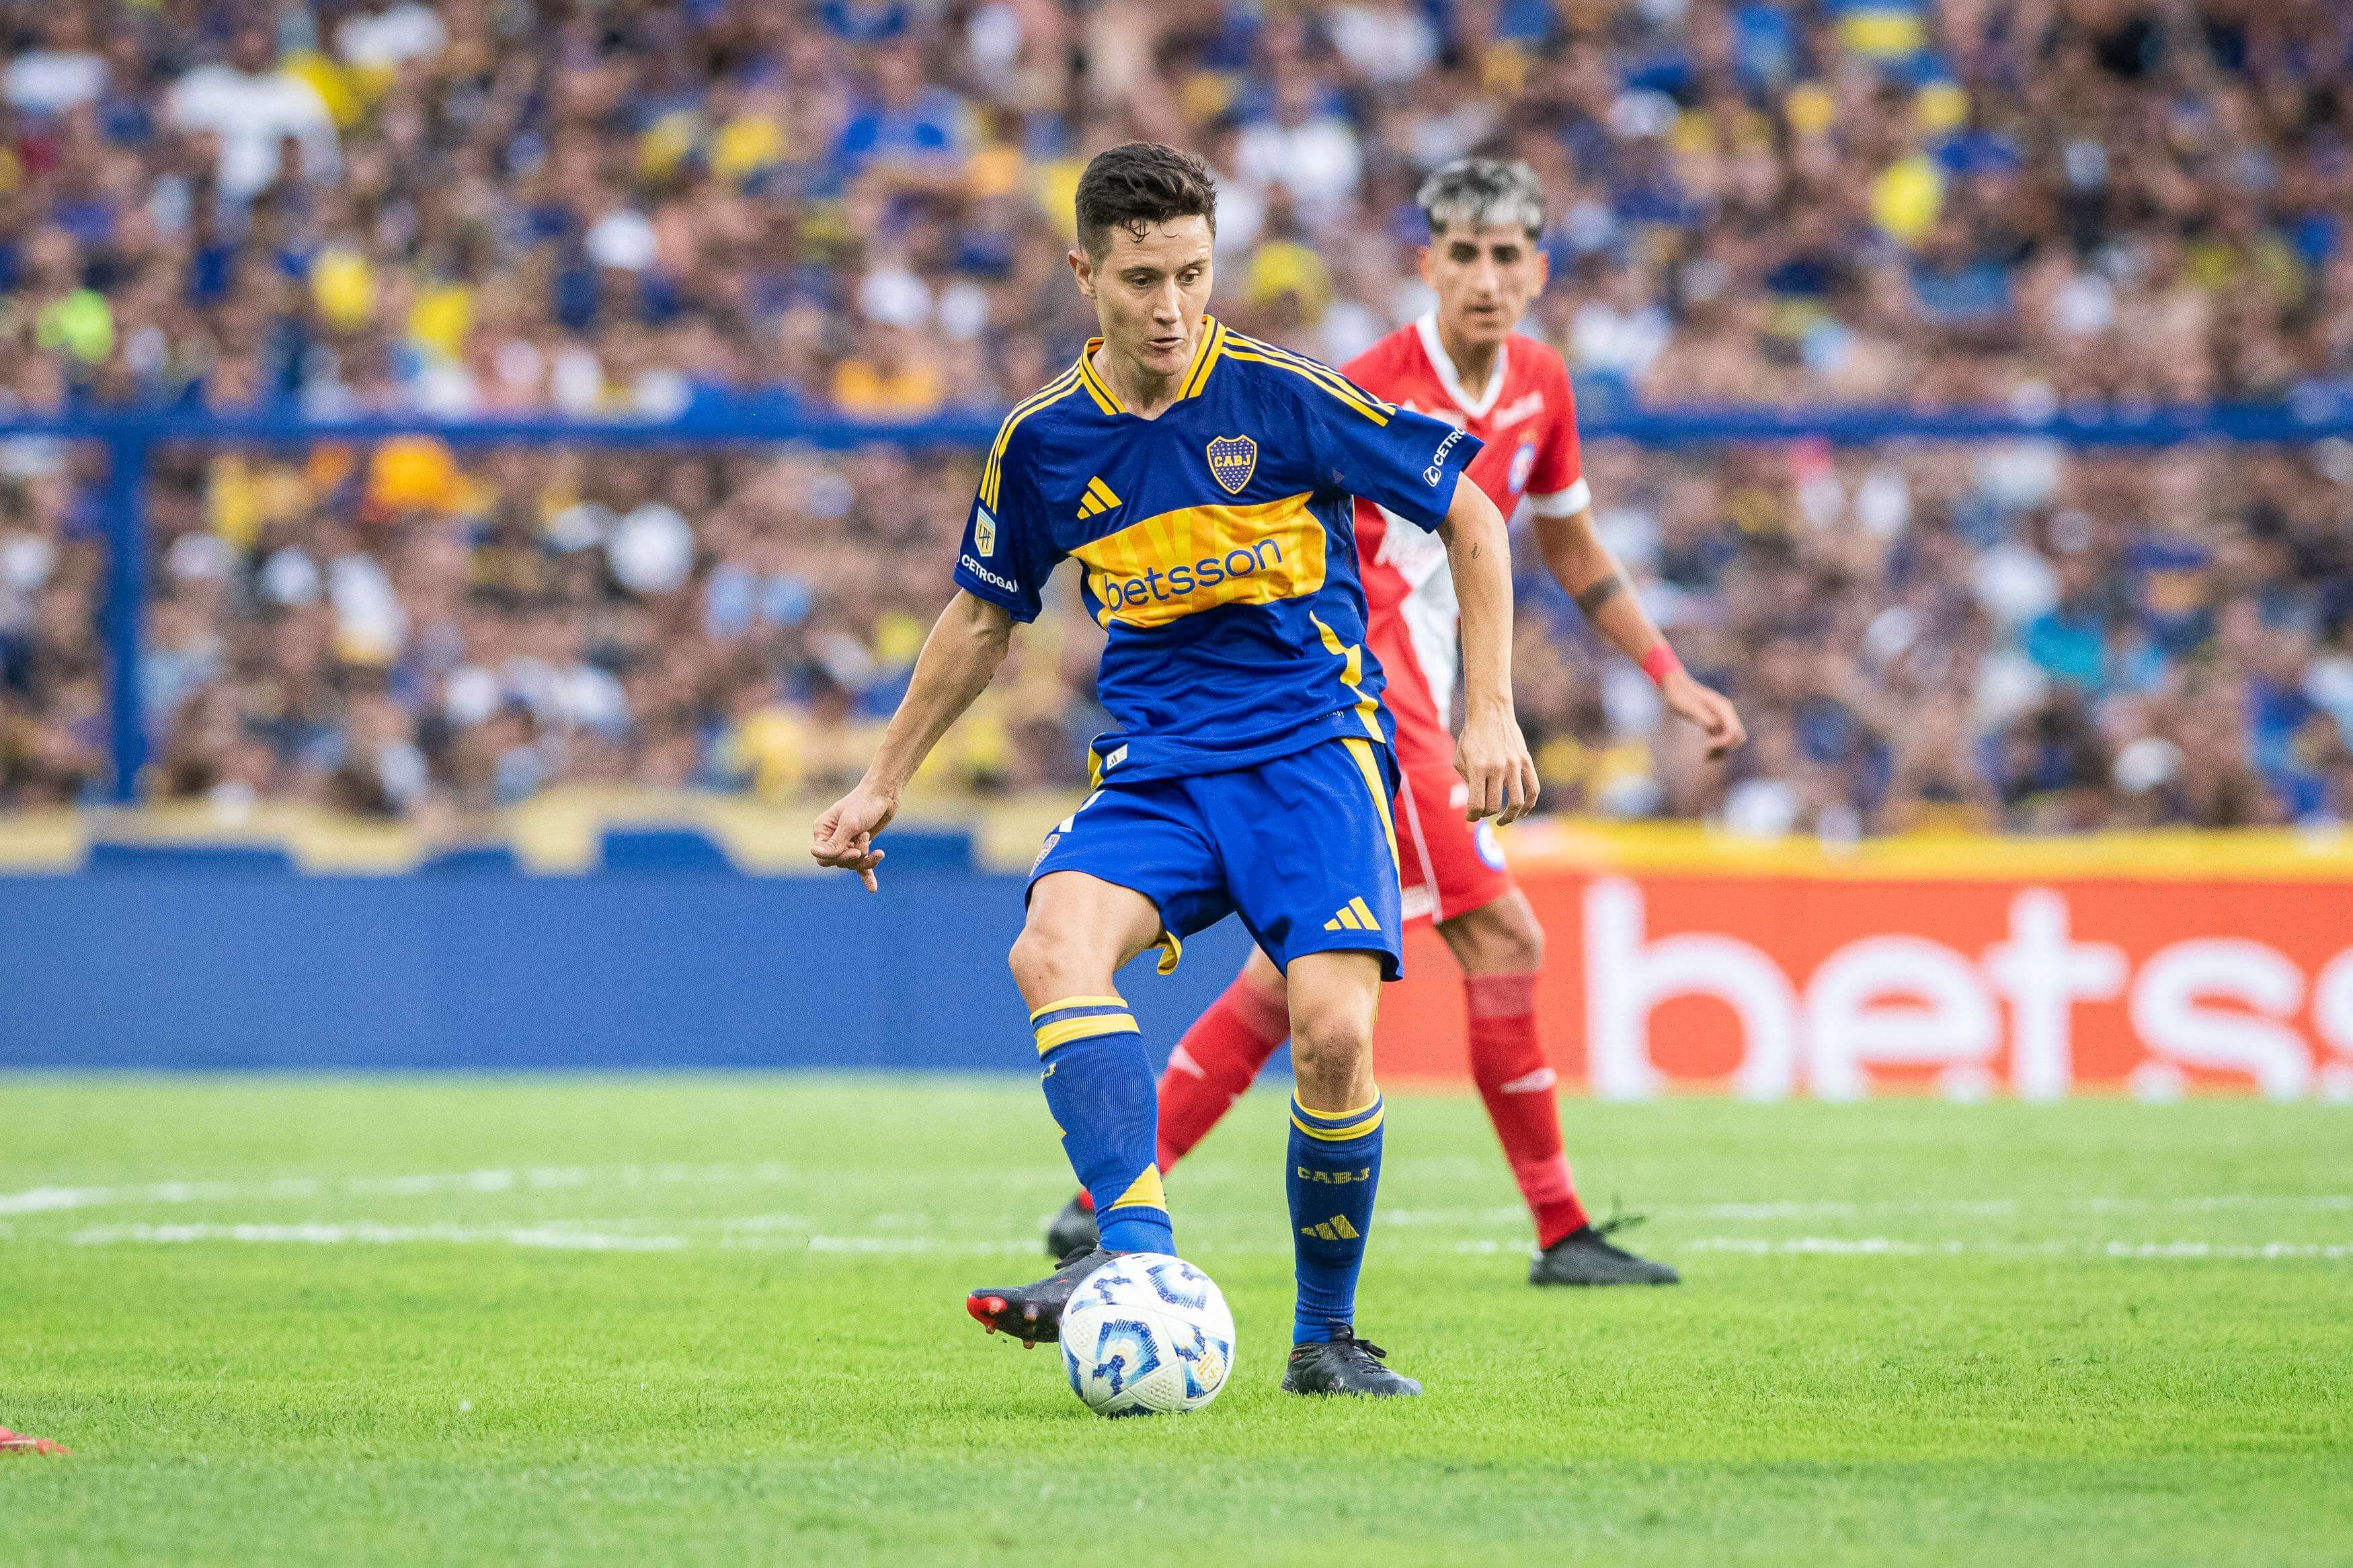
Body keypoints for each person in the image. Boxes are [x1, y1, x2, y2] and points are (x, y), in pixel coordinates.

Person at [812, 142, 1538, 1398]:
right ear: (1086, 269)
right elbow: (983, 617)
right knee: (1049, 948)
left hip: (1314, 754)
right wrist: (882, 780)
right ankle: (1134, 1257)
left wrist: (1489, 709)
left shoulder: (1282, 394)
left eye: (1195, 275)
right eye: (1144, 279)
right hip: (1159, 769)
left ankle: (1327, 1338)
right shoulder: (1041, 443)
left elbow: (1470, 515)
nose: (1172, 308)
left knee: (1329, 1039)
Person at [1043, 159, 1747, 1285]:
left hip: (1420, 696)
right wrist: (1476, 712)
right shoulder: (1367, 381)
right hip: (1370, 701)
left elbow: (1561, 541)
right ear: (1427, 263)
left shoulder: (1541, 386)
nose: (1485, 277)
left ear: (1539, 270)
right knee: (1491, 940)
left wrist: (1664, 671)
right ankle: (1559, 1230)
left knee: (1301, 982)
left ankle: (1098, 1203)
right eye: (1462, 253)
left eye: (1507, 254)